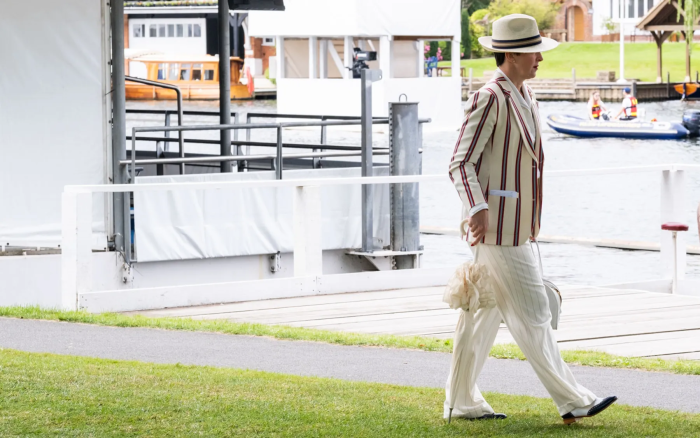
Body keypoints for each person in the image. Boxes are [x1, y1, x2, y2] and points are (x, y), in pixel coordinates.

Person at [447, 14, 617, 424]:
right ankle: (572, 399)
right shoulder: (490, 97)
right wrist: (478, 209)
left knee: (481, 315)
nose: (540, 58)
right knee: (535, 313)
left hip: (519, 226)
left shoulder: (527, 97)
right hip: (497, 228)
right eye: (533, 51)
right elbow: (459, 161)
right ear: (513, 55)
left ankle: (461, 402)